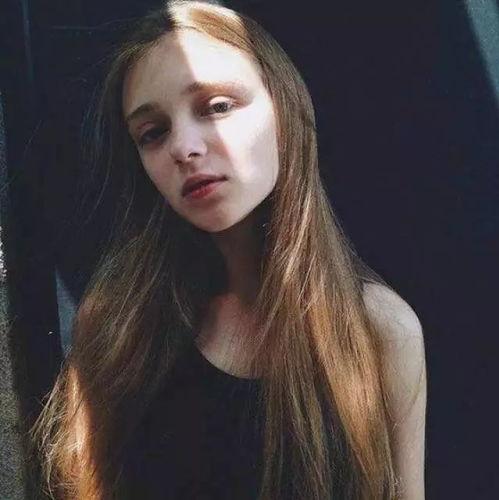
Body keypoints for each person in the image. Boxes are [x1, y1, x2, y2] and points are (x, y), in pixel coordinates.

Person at [31, 1, 427, 498]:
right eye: (153, 133)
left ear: (285, 108)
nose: (184, 148)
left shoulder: (380, 331)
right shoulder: (117, 326)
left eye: (217, 107)